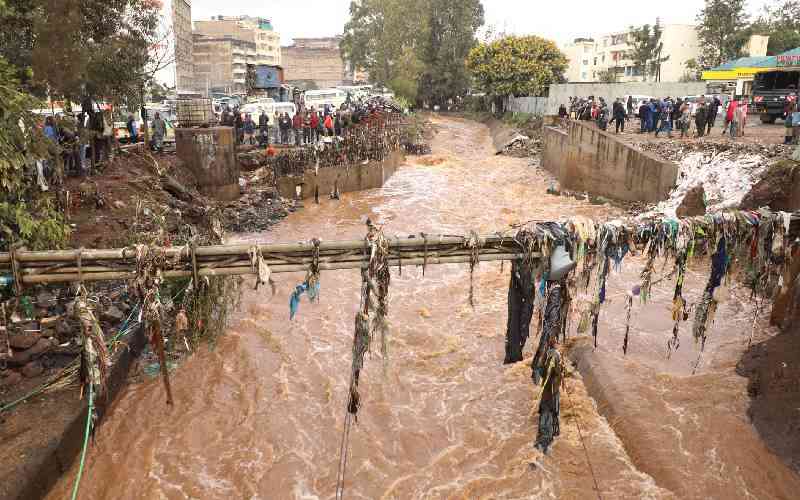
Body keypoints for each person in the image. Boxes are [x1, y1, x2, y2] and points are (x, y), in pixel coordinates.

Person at [534, 336, 563, 454]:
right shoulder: (555, 356)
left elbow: (540, 371)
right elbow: (557, 373)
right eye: (557, 343)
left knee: (545, 413)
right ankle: (546, 441)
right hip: (552, 392)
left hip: (546, 391)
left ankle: (542, 440)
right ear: (555, 344)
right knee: (550, 413)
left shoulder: (546, 355)